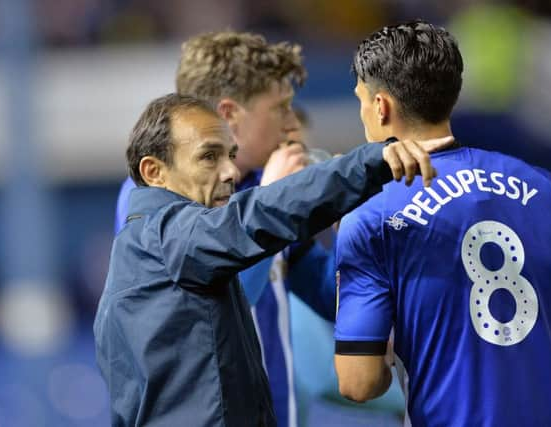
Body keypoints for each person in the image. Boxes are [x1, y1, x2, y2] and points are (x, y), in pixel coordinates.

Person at [93, 92, 451, 426]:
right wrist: (370, 162)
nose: (231, 172)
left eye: (231, 155)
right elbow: (260, 214)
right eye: (208, 156)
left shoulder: (160, 251)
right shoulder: (165, 237)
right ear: (153, 171)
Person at [333, 21, 551, 427]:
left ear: (380, 106)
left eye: (361, 101)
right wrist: (532, 343)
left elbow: (358, 382)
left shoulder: (371, 215)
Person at [113, 31, 332, 427]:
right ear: (229, 114)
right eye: (279, 108)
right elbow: (225, 302)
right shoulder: (152, 197)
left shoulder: (262, 183)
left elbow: (323, 285)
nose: (290, 123)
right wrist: (272, 204)